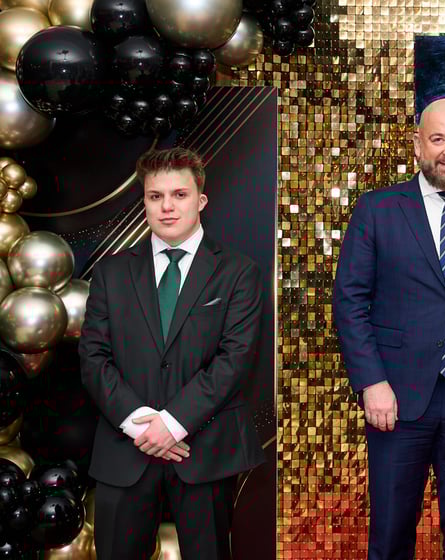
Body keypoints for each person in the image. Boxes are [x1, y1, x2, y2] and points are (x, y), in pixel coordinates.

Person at [333, 98, 445, 559]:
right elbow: (350, 302)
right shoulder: (377, 209)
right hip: (396, 402)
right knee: (391, 534)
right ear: (418, 145)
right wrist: (371, 382)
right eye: (438, 139)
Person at [79, 147, 265, 560]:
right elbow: (93, 358)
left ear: (201, 200)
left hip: (206, 451)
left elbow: (235, 359)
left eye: (179, 195)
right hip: (125, 450)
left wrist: (173, 423)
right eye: (155, 196)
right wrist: (141, 426)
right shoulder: (110, 273)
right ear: (145, 202)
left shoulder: (239, 272)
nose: (167, 207)